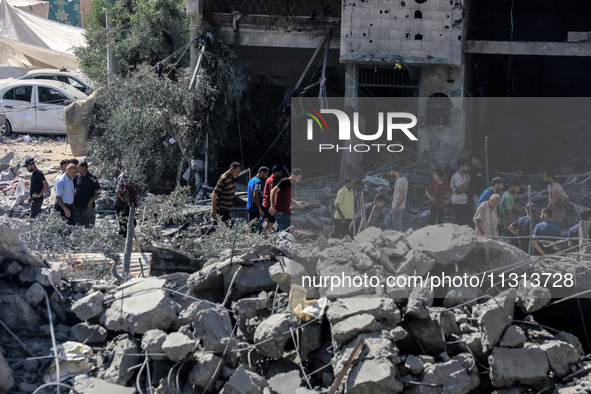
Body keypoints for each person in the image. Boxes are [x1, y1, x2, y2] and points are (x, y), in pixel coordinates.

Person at [73, 161, 101, 228]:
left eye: (78, 167)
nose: (77, 169)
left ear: (84, 167)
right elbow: (73, 189)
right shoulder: (77, 177)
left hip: (88, 207)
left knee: (89, 226)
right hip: (77, 206)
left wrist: (91, 201)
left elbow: (99, 191)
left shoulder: (92, 178)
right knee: (78, 226)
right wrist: (73, 201)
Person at [259, 165, 282, 233]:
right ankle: (265, 234)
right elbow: (273, 192)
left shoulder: (269, 179)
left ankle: (261, 233)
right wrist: (273, 206)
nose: (280, 174)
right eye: (280, 173)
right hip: (269, 204)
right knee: (272, 219)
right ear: (276, 172)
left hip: (266, 203)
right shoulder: (272, 180)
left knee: (263, 219)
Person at [246, 166, 269, 232]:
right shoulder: (258, 182)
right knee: (253, 228)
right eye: (266, 175)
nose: (266, 177)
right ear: (262, 173)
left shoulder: (252, 180)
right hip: (255, 208)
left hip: (250, 207)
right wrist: (260, 209)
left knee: (251, 226)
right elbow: (255, 195)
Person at [115, 173, 138, 237]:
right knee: (123, 223)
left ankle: (128, 236)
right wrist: (122, 199)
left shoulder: (130, 178)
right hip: (120, 205)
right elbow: (117, 190)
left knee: (131, 222)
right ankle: (124, 237)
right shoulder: (123, 177)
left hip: (126, 204)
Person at [450, 159, 472, 226]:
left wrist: (462, 190)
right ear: (461, 166)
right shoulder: (456, 177)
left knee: (465, 222)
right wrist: (468, 181)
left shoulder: (464, 176)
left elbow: (467, 189)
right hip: (458, 203)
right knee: (460, 222)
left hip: (464, 201)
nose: (468, 168)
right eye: (466, 166)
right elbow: (461, 190)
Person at [389, 166, 408, 231]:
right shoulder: (404, 179)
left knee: (397, 228)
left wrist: (396, 208)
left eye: (391, 173)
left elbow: (402, 196)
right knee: (387, 221)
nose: (391, 174)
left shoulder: (399, 182)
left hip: (397, 207)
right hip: (398, 206)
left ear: (394, 171)